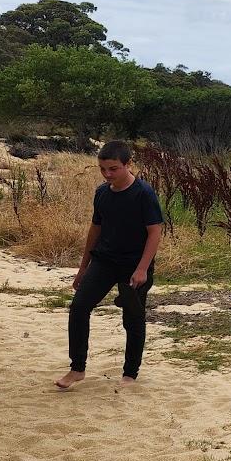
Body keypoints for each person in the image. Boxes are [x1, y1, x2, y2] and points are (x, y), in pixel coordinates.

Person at [55, 139, 164, 390]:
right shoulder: (102, 193)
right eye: (103, 169)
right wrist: (83, 267)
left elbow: (154, 232)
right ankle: (77, 368)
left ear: (128, 164)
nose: (107, 174)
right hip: (104, 260)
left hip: (134, 265)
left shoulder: (143, 194)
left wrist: (142, 269)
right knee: (79, 307)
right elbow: (95, 229)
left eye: (113, 169)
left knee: (132, 319)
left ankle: (130, 373)